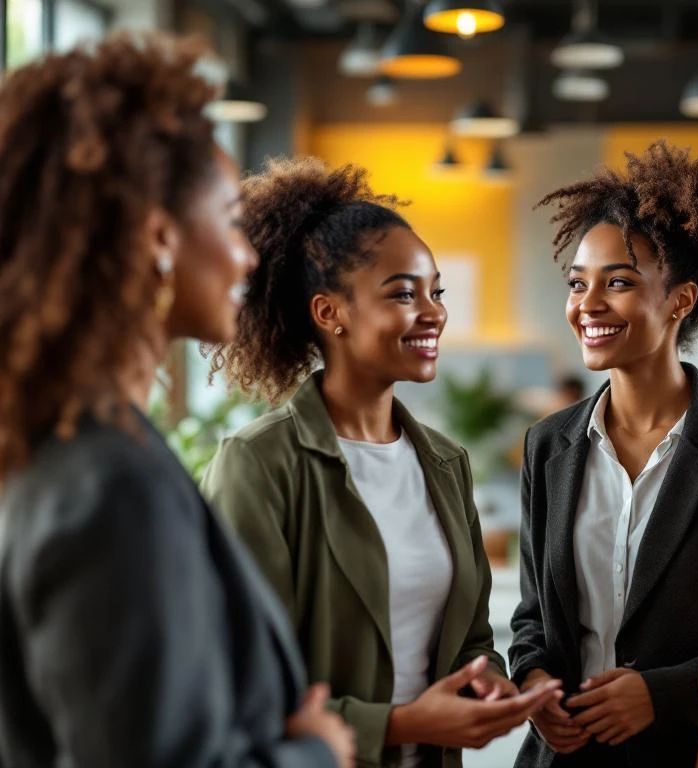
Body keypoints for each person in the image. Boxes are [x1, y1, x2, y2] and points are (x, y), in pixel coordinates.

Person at [0, 33, 355, 768]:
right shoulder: (110, 482)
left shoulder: (53, 445)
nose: (248, 256)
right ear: (158, 238)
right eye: (229, 221)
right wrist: (316, 753)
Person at [200, 157, 562, 768]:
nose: (434, 313)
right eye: (402, 294)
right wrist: (401, 723)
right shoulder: (257, 465)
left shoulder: (446, 463)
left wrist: (488, 683)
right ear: (328, 313)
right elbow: (236, 674)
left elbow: (471, 638)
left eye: (436, 292)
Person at [509, 141, 698, 768]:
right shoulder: (550, 443)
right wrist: (534, 685)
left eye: (618, 283)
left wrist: (662, 694)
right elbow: (534, 617)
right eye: (578, 284)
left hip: (689, 752)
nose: (587, 305)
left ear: (681, 300)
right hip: (562, 757)